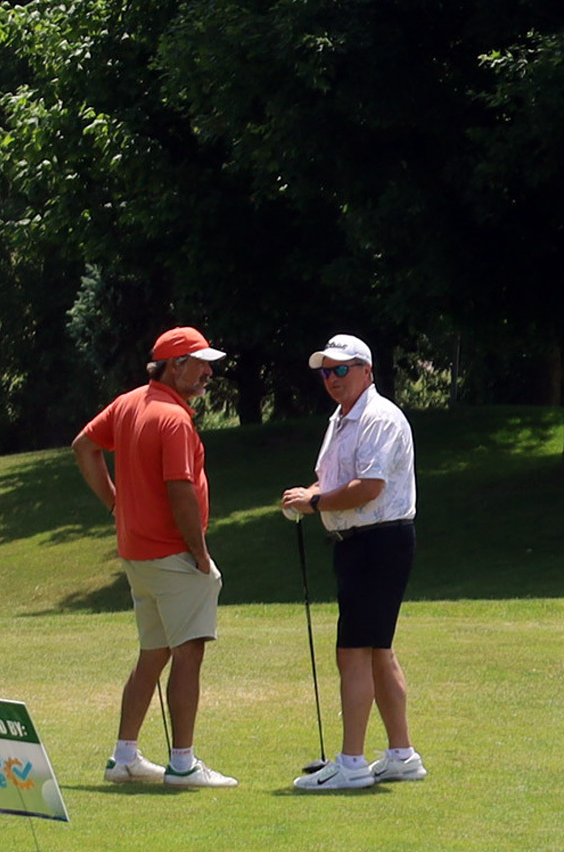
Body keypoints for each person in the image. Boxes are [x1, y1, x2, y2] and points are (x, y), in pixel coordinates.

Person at [73, 326, 239, 788]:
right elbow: (180, 489)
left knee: (154, 653)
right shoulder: (174, 419)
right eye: (200, 364)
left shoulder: (129, 403)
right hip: (172, 555)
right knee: (189, 652)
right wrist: (200, 554)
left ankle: (124, 757)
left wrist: (116, 506)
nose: (208, 373)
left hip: (138, 555)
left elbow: (83, 447)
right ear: (174, 366)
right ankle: (182, 764)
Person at [280, 333, 425, 791]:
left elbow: (369, 487)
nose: (332, 378)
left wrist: (315, 502)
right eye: (326, 371)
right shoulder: (341, 419)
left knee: (354, 652)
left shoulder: (379, 417)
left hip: (379, 540)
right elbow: (333, 482)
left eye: (341, 369)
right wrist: (308, 496)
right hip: (358, 542)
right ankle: (401, 755)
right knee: (378, 650)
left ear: (366, 371)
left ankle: (352, 763)